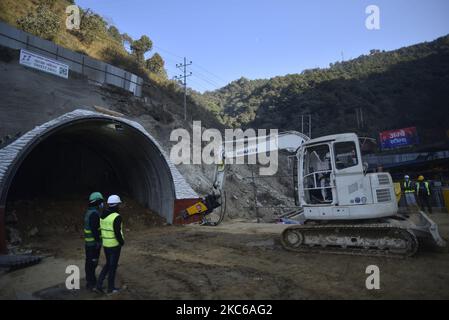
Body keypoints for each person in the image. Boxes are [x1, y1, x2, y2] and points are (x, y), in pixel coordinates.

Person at [96, 195, 125, 294]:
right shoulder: (116, 217)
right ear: (116, 205)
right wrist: (121, 242)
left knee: (108, 264)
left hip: (106, 245)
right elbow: (117, 233)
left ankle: (99, 284)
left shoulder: (102, 215)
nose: (119, 206)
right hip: (114, 245)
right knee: (112, 267)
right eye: (119, 204)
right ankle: (111, 288)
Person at [84, 192, 104, 291]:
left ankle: (90, 282)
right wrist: (98, 241)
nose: (102, 204)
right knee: (92, 263)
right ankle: (92, 283)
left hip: (89, 244)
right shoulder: (94, 214)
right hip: (93, 245)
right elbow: (94, 229)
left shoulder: (89, 212)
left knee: (89, 263)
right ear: (96, 202)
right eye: (101, 201)